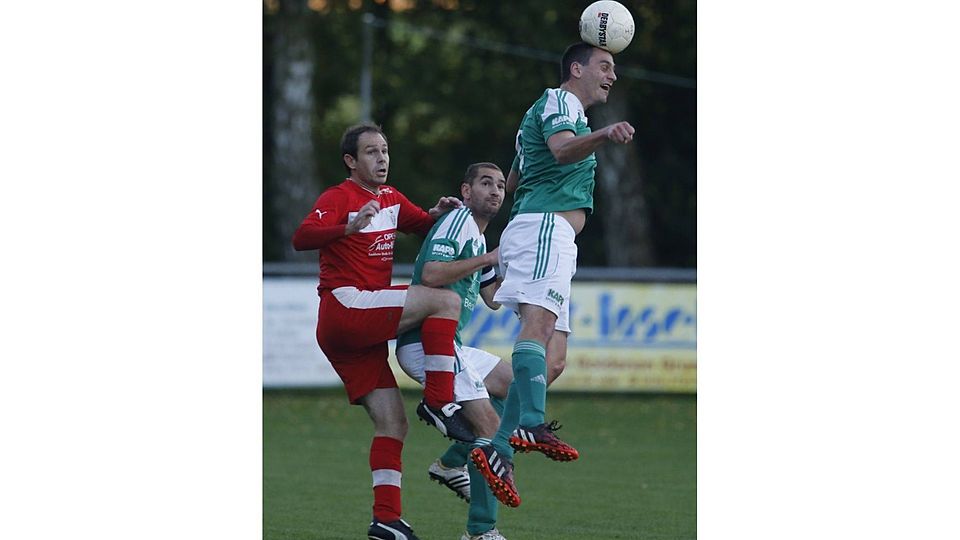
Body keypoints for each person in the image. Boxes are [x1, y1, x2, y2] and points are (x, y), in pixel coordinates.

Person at [291, 123, 477, 540]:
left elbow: (423, 224)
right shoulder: (339, 198)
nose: (381, 159)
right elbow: (301, 238)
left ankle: (386, 520)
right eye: (371, 152)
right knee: (444, 301)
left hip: (357, 333)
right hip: (346, 307)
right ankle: (439, 401)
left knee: (393, 423)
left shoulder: (391, 197)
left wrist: (439, 214)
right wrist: (347, 227)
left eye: (385, 150)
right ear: (350, 161)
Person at [470, 42, 636, 508]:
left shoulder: (555, 111)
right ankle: (528, 423)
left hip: (547, 233)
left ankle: (496, 447)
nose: (612, 75)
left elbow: (515, 178)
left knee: (555, 361)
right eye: (605, 66)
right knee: (537, 328)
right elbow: (561, 151)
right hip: (545, 228)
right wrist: (605, 134)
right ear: (576, 69)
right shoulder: (560, 101)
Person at [395, 163, 514, 540]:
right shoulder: (458, 221)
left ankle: (451, 464)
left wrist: (534, 276)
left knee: (514, 384)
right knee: (489, 427)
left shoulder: (477, 235)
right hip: (425, 345)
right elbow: (431, 274)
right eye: (485, 183)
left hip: (451, 345)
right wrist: (489, 258)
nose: (495, 190)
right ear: (466, 191)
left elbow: (494, 298)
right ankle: (481, 531)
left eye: (500, 185)